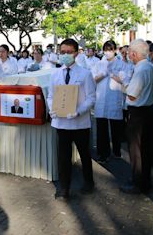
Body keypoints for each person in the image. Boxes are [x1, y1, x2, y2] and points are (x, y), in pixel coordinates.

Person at [47, 38, 96, 200]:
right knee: (63, 156)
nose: (65, 55)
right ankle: (64, 188)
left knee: (84, 153)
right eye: (62, 52)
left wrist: (79, 111)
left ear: (76, 53)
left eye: (68, 52)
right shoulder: (55, 74)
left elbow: (91, 98)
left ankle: (89, 182)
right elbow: (50, 96)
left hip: (79, 123)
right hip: (61, 122)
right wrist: (52, 109)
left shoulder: (85, 74)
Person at [117, 39, 153, 194]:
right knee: (144, 149)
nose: (128, 56)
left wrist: (122, 83)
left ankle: (138, 182)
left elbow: (132, 95)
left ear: (133, 53)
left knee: (136, 150)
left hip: (139, 114)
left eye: (129, 53)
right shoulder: (150, 67)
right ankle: (144, 180)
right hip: (148, 111)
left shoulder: (141, 70)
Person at [92, 40, 130, 163]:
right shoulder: (99, 64)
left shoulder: (121, 64)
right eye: (106, 50)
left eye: (110, 50)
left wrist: (112, 74)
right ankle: (103, 153)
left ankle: (117, 150)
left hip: (115, 97)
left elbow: (125, 81)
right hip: (101, 98)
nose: (108, 52)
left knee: (116, 126)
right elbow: (93, 79)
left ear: (115, 50)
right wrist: (103, 74)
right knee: (101, 127)